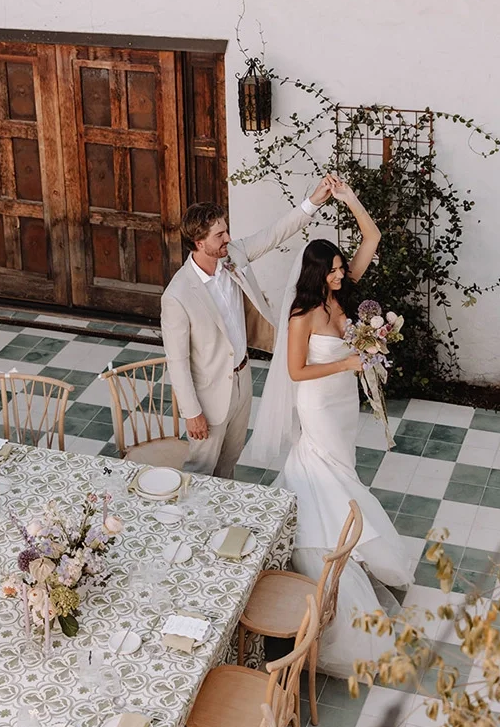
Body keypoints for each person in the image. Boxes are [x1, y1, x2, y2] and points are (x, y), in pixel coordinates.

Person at [252, 178, 413, 676]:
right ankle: (323, 551)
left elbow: (373, 238)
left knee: (342, 470)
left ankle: (343, 541)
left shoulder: (345, 298)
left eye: (344, 267)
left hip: (345, 406)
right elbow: (296, 372)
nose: (344, 274)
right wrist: (347, 365)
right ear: (319, 273)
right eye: (337, 270)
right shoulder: (303, 313)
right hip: (318, 404)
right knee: (326, 476)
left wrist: (347, 199)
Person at [160, 176, 334, 478]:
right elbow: (177, 362)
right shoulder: (177, 296)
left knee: (229, 462)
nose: (228, 238)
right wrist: (192, 413)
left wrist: (314, 201)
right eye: (220, 235)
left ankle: (222, 520)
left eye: (226, 231)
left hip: (242, 380)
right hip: (209, 394)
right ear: (199, 243)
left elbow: (275, 233)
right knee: (200, 469)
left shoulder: (233, 256)